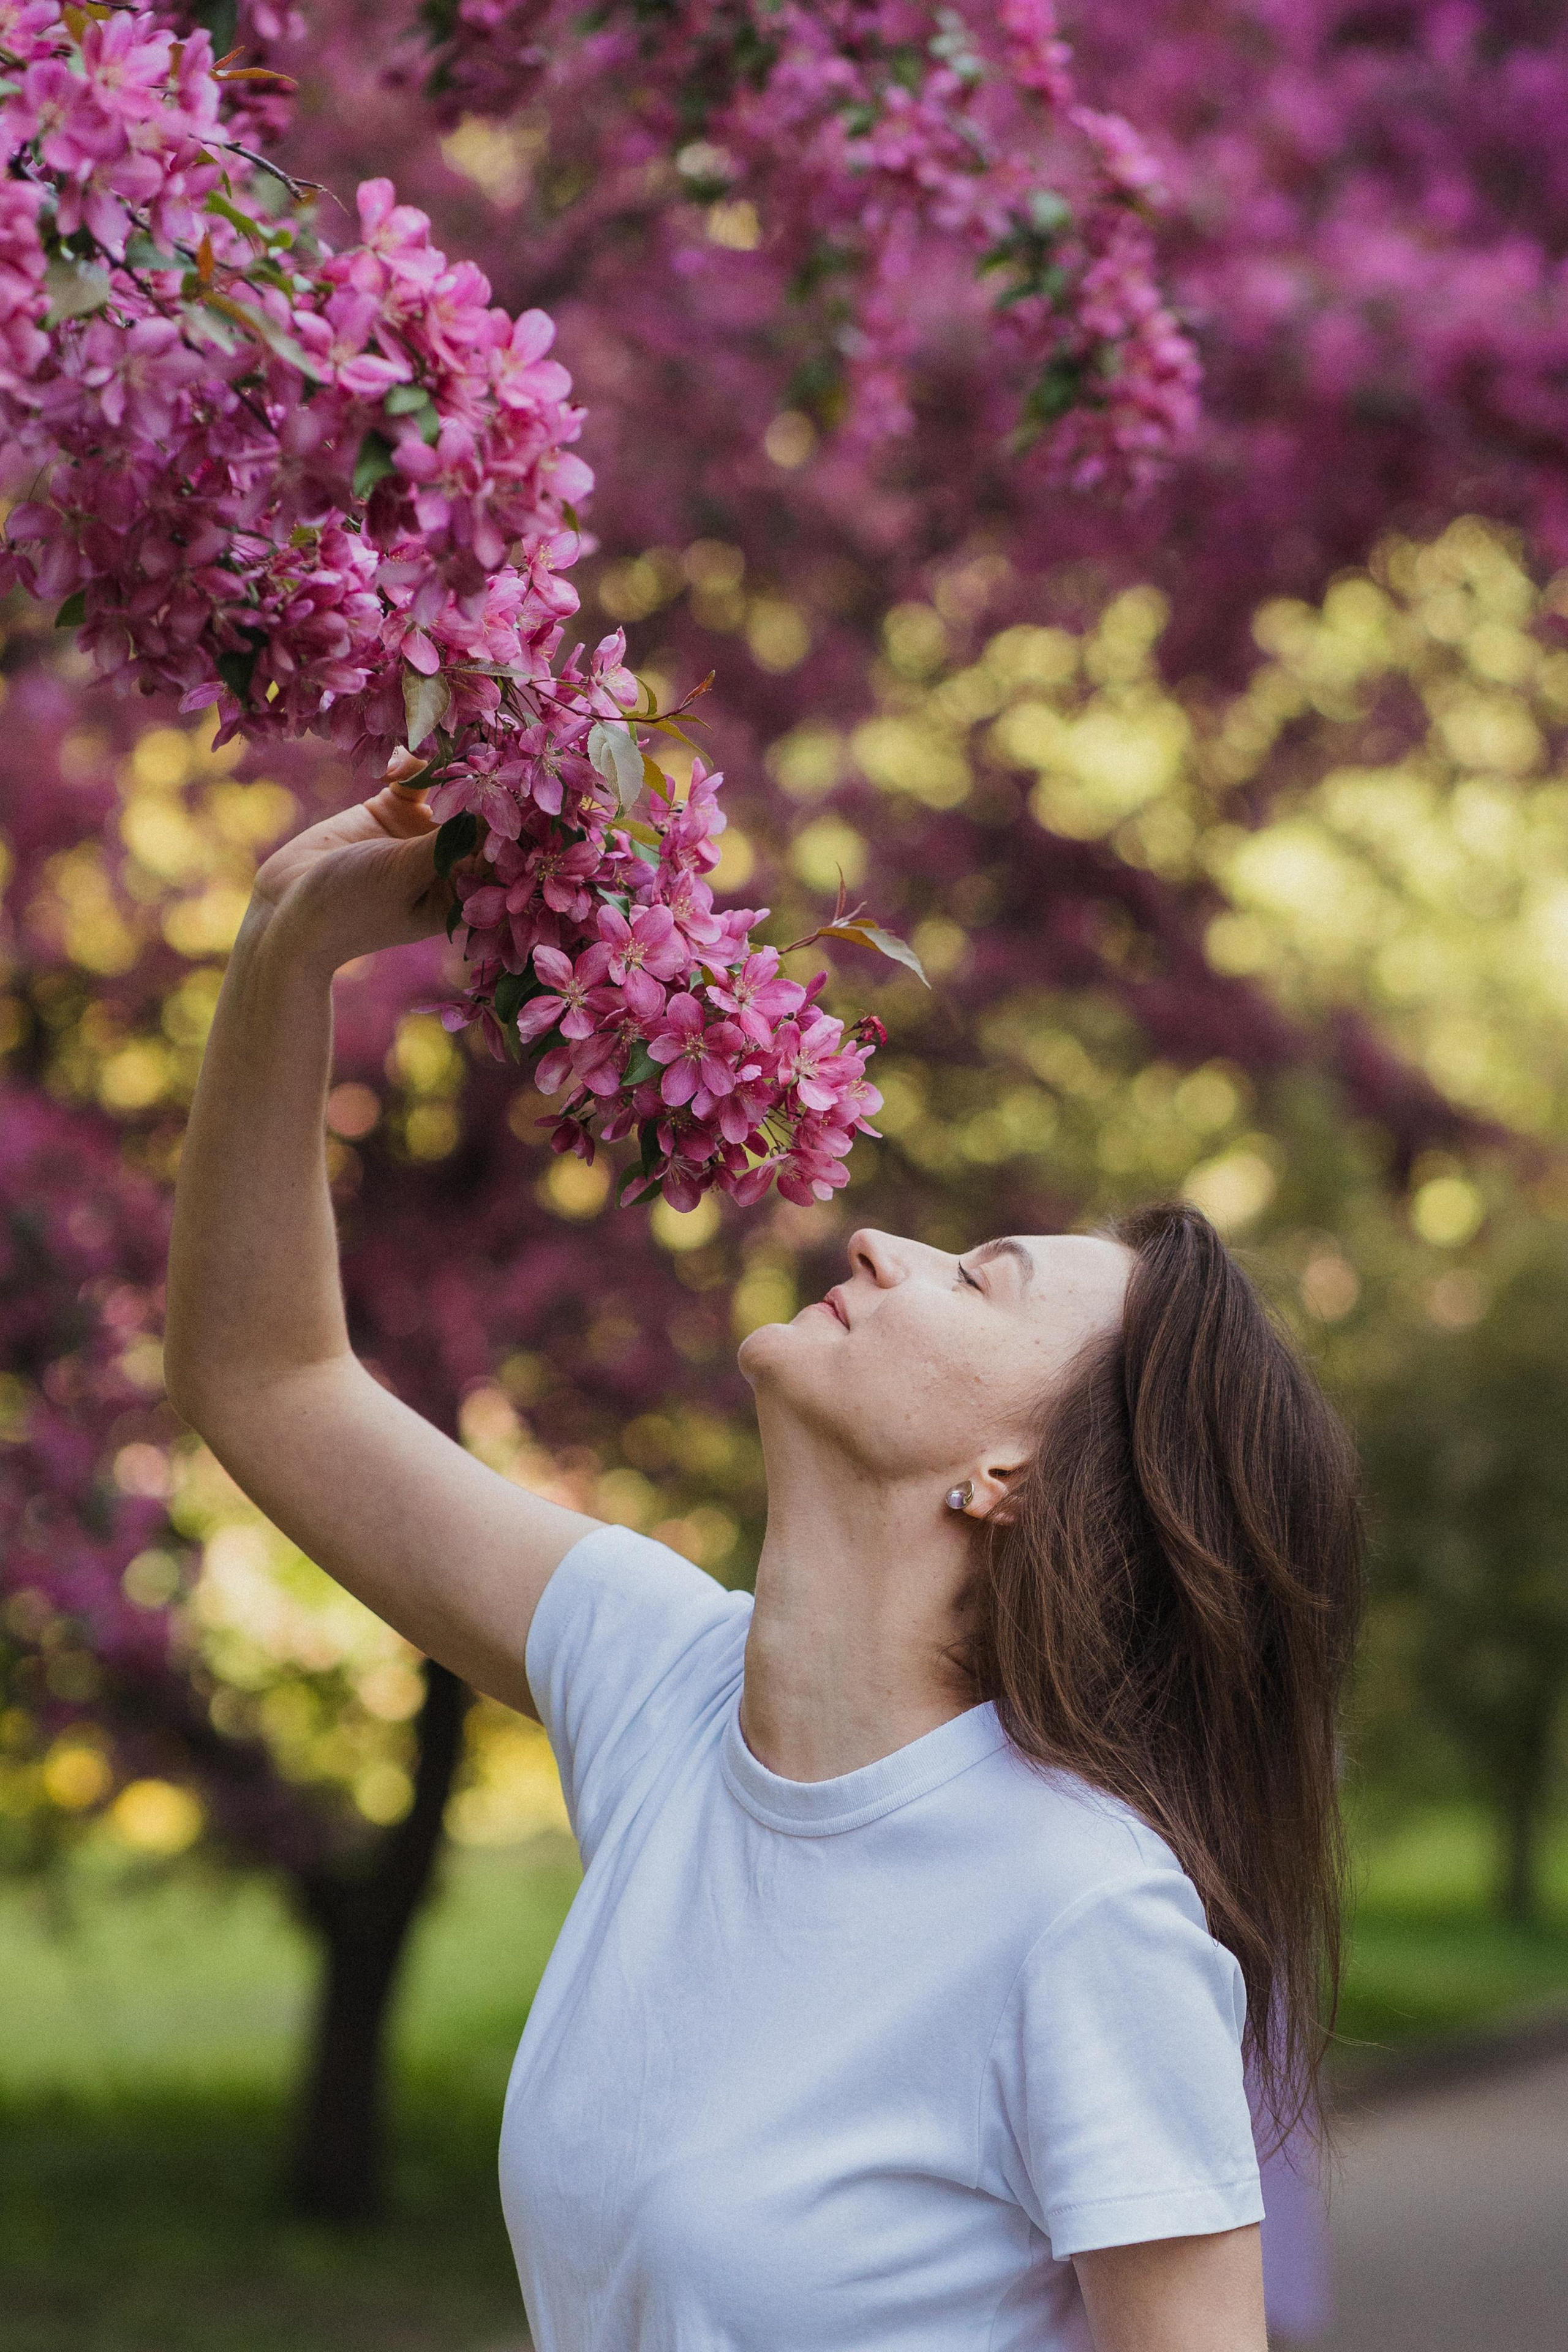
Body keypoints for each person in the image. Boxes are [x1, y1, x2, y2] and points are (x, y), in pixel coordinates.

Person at [165, 780, 1363, 2352]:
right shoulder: (661, 1685)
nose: (879, 1245)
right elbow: (265, 1377)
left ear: (1017, 1479)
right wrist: (286, 943)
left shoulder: (1084, 1913)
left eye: (977, 1281)